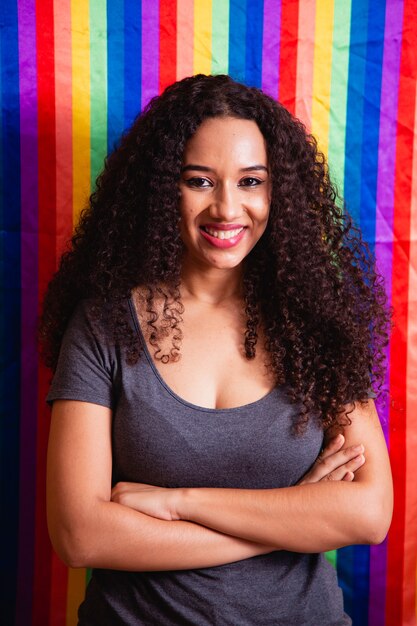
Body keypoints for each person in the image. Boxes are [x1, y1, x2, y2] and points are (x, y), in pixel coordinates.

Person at [41, 74, 393, 625]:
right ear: (163, 189)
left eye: (251, 181)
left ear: (279, 191)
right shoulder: (103, 326)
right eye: (200, 181)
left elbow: (370, 514)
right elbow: (80, 534)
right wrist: (288, 519)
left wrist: (181, 501)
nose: (228, 209)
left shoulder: (314, 324)